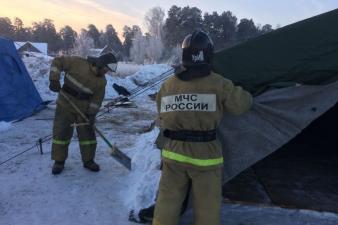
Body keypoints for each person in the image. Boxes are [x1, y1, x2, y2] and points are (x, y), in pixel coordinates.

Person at [152, 30, 253, 225]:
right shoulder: (219, 84)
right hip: (206, 157)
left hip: (173, 153)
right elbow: (241, 106)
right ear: (208, 55)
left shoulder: (167, 86)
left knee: (167, 201)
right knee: (207, 206)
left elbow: (161, 116)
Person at [49, 52, 117, 175]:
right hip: (65, 104)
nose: (105, 73)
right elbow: (57, 62)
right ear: (100, 64)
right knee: (61, 133)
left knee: (88, 136)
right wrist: (54, 79)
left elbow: (97, 100)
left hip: (84, 110)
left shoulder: (101, 82)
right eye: (106, 69)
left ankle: (88, 161)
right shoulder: (77, 63)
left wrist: (92, 114)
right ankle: (59, 161)